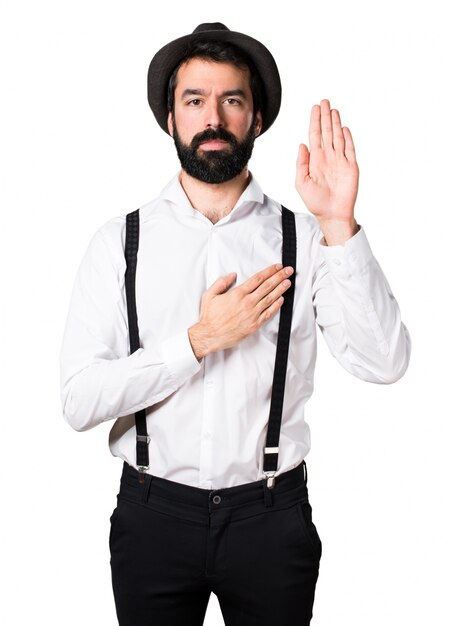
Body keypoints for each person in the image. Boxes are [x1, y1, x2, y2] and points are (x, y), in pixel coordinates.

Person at [59, 22, 411, 626]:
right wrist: (198, 342)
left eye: (232, 100)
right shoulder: (119, 243)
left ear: (257, 120)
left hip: (271, 520)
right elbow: (78, 401)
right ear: (170, 119)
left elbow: (384, 363)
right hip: (153, 518)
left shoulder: (306, 237)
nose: (213, 117)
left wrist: (340, 224)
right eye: (194, 100)